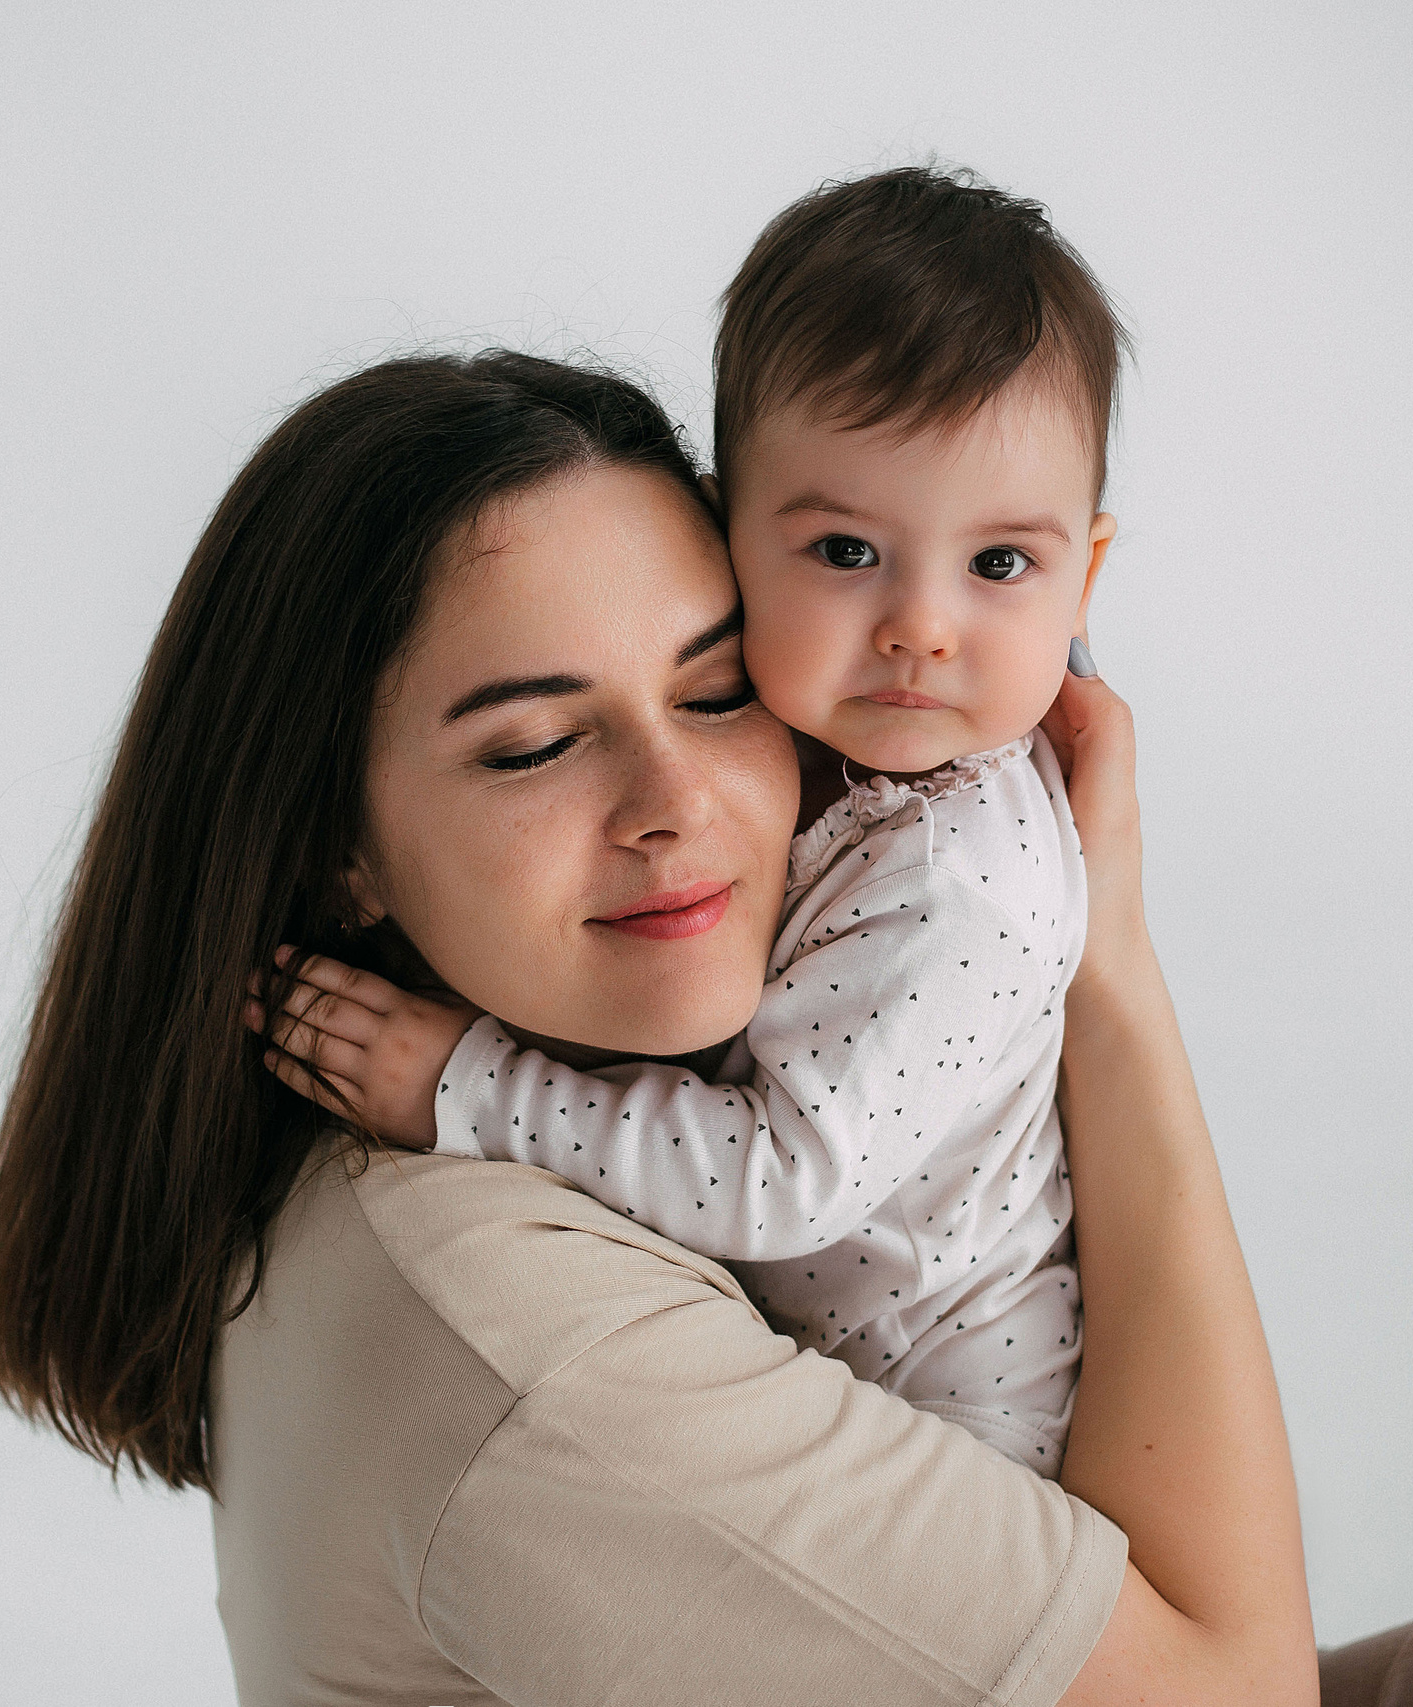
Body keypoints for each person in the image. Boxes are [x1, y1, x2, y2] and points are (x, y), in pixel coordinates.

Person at [0, 348, 1413, 1705]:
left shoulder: (545, 1134)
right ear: (335, 850)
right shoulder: (515, 1328)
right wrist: (1105, 972)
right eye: (529, 744)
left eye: (709, 687)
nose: (675, 797)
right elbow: (1222, 1701)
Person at [248, 168, 1122, 1476]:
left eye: (1001, 565)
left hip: (965, 1428)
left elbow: (778, 1180)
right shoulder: (859, 769)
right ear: (734, 530)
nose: (921, 628)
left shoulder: (966, 882)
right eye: (842, 553)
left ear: (1083, 577)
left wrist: (467, 1086)